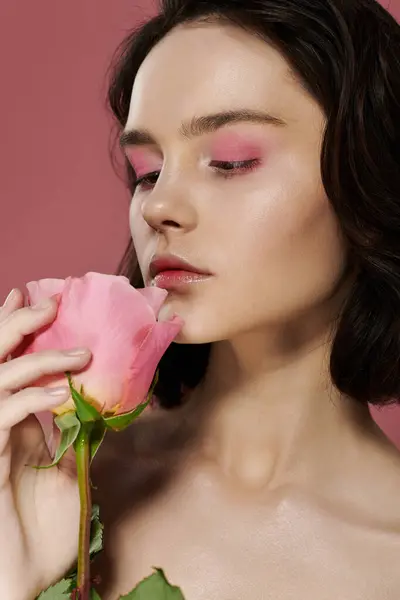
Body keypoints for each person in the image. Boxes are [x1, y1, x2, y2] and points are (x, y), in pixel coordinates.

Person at [1, 0, 400, 598]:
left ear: (368, 175)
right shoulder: (56, 485)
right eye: (147, 170)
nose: (157, 206)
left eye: (231, 161)